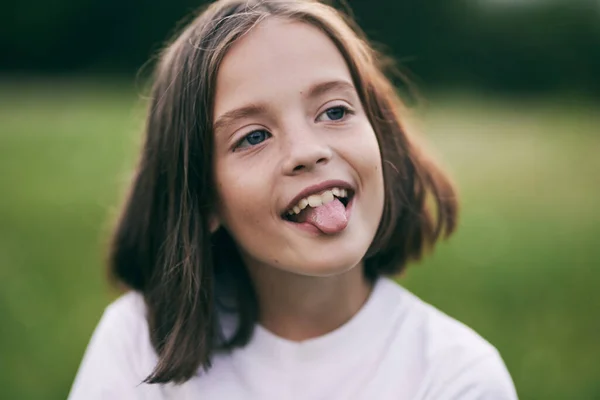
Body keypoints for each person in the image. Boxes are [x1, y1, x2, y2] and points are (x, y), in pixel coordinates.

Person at [68, 0, 518, 398]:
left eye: (335, 111)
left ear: (380, 136)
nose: (307, 151)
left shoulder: (456, 376)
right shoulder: (137, 343)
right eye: (254, 136)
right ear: (202, 196)